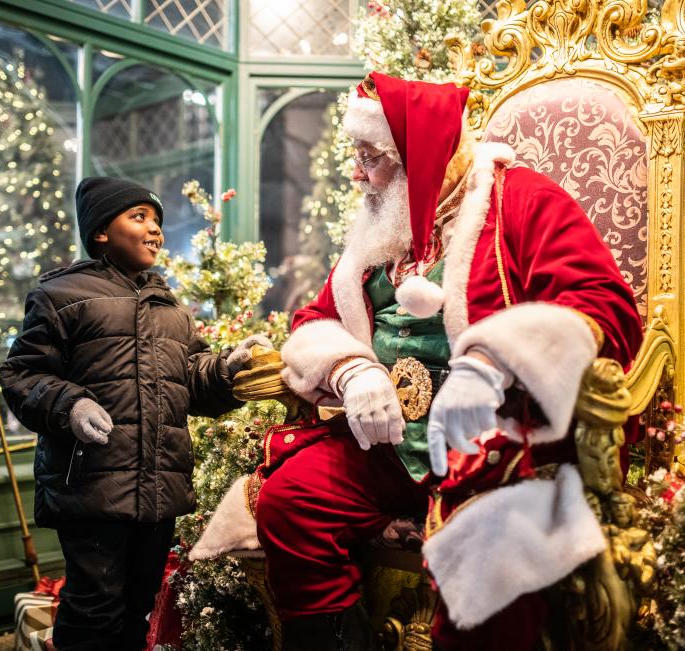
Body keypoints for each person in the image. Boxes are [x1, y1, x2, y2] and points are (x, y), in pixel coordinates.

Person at [254, 73, 643, 650]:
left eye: (372, 159)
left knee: (488, 554)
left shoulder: (522, 200)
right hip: (389, 446)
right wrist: (349, 369)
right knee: (292, 502)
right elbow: (314, 320)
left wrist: (492, 360)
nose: (358, 175)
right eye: (356, 157)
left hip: (495, 441)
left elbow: (605, 308)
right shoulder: (381, 228)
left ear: (423, 158)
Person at [0, 177, 269, 651]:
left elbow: (193, 380)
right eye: (139, 216)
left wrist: (227, 368)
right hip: (93, 486)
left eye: (158, 221)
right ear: (102, 231)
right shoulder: (63, 296)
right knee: (93, 608)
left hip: (159, 487)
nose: (155, 230)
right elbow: (22, 375)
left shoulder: (171, 308)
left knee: (140, 606)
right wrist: (71, 404)